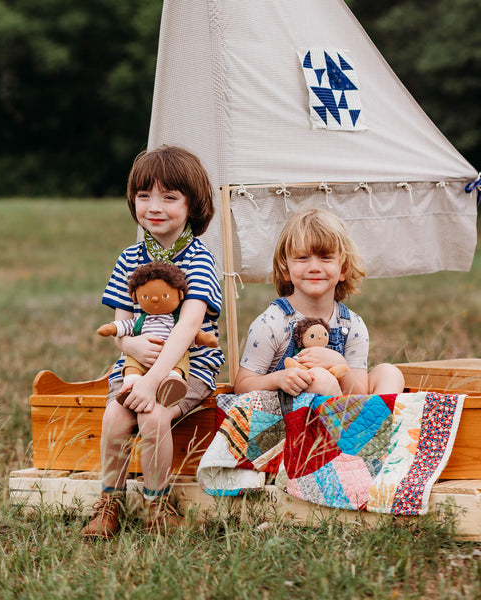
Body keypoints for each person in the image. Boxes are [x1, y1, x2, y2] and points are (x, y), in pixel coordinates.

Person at [82, 146, 224, 538]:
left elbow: (188, 325)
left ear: (192, 204)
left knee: (155, 416)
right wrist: (129, 349)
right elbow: (121, 324)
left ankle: (155, 505)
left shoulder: (199, 258)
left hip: (188, 365)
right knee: (114, 418)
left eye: (169, 197)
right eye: (144, 196)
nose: (154, 206)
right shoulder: (130, 257)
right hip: (136, 363)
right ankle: (109, 501)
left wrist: (152, 380)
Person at [234, 208, 405, 398]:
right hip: (290, 417)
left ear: (343, 269)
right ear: (285, 269)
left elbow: (359, 394)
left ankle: (375, 426)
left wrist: (339, 363)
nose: (314, 267)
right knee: (320, 378)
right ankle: (356, 427)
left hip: (348, 412)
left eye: (325, 257)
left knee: (389, 372)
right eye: (302, 258)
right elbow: (241, 386)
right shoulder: (272, 322)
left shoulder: (352, 325)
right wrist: (277, 379)